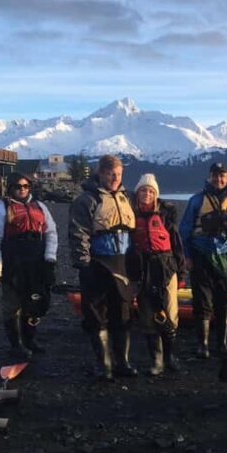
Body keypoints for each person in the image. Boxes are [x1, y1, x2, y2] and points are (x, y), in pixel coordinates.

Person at [69, 155, 136, 380]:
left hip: (121, 263)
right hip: (97, 262)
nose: (115, 178)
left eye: (118, 174)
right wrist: (83, 263)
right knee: (96, 314)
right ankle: (104, 365)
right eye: (110, 174)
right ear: (101, 173)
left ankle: (122, 362)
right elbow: (78, 233)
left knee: (122, 313)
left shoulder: (127, 198)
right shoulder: (87, 200)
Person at [179, 162, 227, 358]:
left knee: (225, 299)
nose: (218, 179)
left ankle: (222, 343)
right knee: (202, 300)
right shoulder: (197, 200)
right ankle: (202, 345)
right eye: (215, 175)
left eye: (222, 175)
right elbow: (185, 230)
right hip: (201, 253)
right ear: (209, 177)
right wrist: (187, 256)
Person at [0, 172, 58, 359]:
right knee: (12, 303)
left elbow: (51, 233)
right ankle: (15, 344)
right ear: (11, 188)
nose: (22, 190)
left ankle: (29, 340)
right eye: (18, 186)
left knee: (33, 301)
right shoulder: (2, 209)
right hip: (13, 262)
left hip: (36, 262)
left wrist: (50, 257)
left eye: (26, 186)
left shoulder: (40, 207)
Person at [129, 173, 185, 376]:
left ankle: (170, 356)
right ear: (137, 193)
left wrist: (181, 271)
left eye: (151, 191)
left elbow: (177, 244)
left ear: (156, 194)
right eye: (143, 190)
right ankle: (157, 360)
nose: (147, 194)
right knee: (147, 313)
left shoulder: (165, 215)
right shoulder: (130, 215)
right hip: (142, 269)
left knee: (169, 312)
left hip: (165, 267)